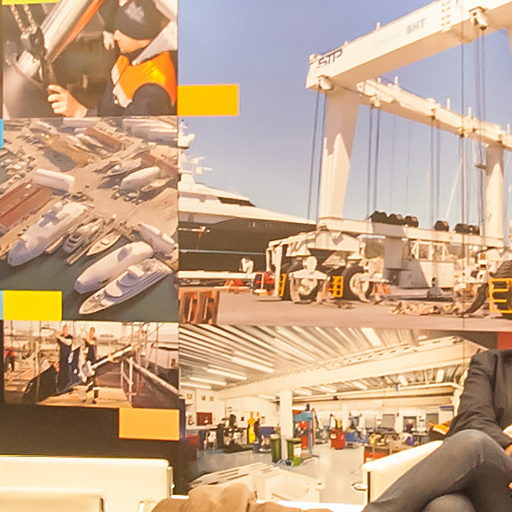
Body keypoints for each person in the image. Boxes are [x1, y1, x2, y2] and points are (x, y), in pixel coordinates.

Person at [363, 349, 512, 512]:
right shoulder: (492, 362)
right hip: (491, 483)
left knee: (474, 443)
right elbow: (471, 416)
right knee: (446, 507)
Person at [47, 0, 176, 117]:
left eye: (124, 32)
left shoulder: (154, 90)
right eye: (116, 30)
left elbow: (129, 133)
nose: (115, 36)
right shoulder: (130, 56)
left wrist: (80, 112)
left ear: (143, 40)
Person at [55, 324, 73, 393]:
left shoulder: (70, 337)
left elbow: (67, 342)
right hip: (62, 356)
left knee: (68, 372)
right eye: (64, 329)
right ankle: (61, 387)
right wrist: (58, 335)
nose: (65, 331)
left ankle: (69, 387)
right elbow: (59, 342)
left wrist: (59, 336)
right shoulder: (61, 337)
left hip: (68, 357)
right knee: (61, 372)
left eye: (66, 329)